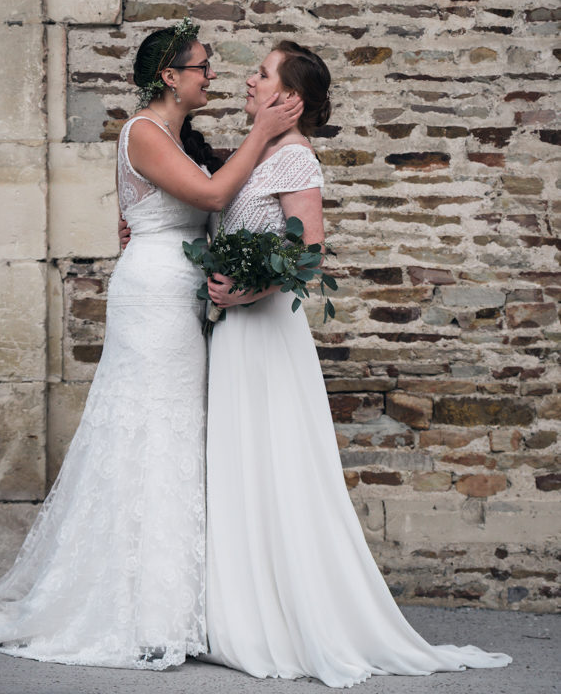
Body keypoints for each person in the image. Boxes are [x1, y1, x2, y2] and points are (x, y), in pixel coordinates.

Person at [0, 18, 302, 670]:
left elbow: (210, 201)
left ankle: (182, 600)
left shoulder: (180, 136)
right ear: (169, 77)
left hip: (181, 295)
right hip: (153, 298)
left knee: (176, 434)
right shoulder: (142, 133)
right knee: (147, 433)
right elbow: (210, 192)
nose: (211, 75)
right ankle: (140, 606)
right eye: (201, 66)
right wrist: (262, 133)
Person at [203, 40, 512, 687]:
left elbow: (308, 258)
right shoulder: (260, 153)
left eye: (260, 75)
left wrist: (244, 290)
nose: (247, 82)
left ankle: (286, 618)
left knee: (274, 466)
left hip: (263, 336)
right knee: (241, 465)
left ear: (291, 100)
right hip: (237, 337)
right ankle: (240, 607)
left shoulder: (294, 160)